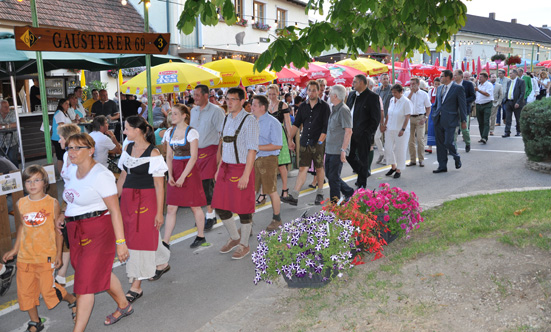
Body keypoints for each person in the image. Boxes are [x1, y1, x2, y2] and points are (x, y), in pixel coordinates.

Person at [59, 133, 132, 330]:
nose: (71, 152)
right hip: (75, 231)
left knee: (84, 284)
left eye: (77, 148)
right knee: (99, 272)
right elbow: (70, 196)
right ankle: (124, 306)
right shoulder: (72, 171)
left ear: (91, 150)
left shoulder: (101, 175)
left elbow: (114, 210)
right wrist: (63, 213)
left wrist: (121, 242)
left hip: (97, 229)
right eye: (69, 148)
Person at [2, 165, 77, 331]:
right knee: (25, 292)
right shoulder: (21, 203)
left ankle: (72, 300)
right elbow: (22, 227)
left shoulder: (52, 203)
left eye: (37, 180)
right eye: (28, 181)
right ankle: (35, 322)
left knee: (48, 290)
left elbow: (58, 232)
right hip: (25, 257)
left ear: (45, 182)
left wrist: (58, 255)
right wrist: (15, 250)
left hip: (46, 256)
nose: (32, 184)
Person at [117, 115, 170, 303]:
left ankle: (136, 286)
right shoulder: (128, 148)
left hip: (146, 201)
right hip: (128, 200)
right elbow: (123, 176)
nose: (124, 132)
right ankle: (162, 262)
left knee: (139, 240)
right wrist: (114, 200)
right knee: (141, 235)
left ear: (137, 130)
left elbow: (159, 185)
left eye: (127, 128)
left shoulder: (154, 153)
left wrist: (159, 212)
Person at [212, 87, 259, 260]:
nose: (229, 102)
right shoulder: (226, 119)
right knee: (220, 206)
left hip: (241, 168)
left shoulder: (250, 121)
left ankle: (244, 244)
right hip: (225, 168)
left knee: (244, 209)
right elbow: (224, 146)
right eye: (227, 99)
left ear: (241, 101)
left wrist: (246, 175)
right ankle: (234, 237)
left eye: (233, 99)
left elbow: (252, 150)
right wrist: (218, 169)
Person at [164, 104, 208, 248]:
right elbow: (169, 155)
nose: (172, 116)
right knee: (171, 207)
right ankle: (166, 241)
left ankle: (200, 236)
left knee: (194, 205)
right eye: (172, 113)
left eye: (176, 114)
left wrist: (183, 176)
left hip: (189, 170)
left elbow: (194, 157)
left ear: (184, 116)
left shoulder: (191, 132)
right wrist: (169, 174)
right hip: (175, 168)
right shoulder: (169, 132)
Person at [282, 80, 330, 206]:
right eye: (310, 90)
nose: (312, 92)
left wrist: (320, 142)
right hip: (304, 142)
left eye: (314, 90)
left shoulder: (324, 106)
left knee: (319, 168)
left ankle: (320, 193)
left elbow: (326, 127)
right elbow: (297, 124)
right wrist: (290, 139)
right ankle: (294, 196)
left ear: (319, 91)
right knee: (303, 168)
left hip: (318, 142)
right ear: (307, 91)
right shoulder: (303, 106)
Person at [190, 85, 226, 231]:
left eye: (198, 95)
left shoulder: (217, 111)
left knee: (207, 185)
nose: (195, 98)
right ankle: (202, 215)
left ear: (206, 95)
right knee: (196, 185)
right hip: (195, 152)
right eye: (194, 95)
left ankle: (210, 216)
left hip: (211, 151)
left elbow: (223, 135)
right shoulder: (193, 110)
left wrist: (219, 156)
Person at [54, 123, 81, 287]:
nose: (58, 141)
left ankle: (67, 273)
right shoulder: (65, 156)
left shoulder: (76, 157)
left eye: (61, 137)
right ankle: (62, 274)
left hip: (77, 200)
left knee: (72, 235)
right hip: (69, 198)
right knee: (66, 234)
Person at [251, 95, 283, 231]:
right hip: (253, 158)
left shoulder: (273, 122)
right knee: (251, 191)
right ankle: (248, 223)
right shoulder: (251, 120)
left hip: (268, 159)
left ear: (262, 107)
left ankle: (277, 219)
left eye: (254, 105)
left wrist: (257, 147)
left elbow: (278, 145)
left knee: (271, 191)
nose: (251, 107)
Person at [345, 74, 381, 189]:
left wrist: (368, 132)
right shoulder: (351, 95)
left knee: (363, 157)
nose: (353, 84)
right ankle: (362, 172)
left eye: (355, 82)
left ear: (361, 83)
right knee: (349, 155)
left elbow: (375, 118)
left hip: (363, 133)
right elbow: (347, 111)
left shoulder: (372, 97)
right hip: (350, 131)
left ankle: (362, 183)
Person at [432, 70, 468, 173]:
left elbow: (462, 105)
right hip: (438, 119)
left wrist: (463, 120)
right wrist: (434, 114)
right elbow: (437, 103)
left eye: (442, 76)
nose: (440, 78)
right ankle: (442, 165)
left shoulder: (458, 88)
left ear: (448, 77)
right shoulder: (439, 88)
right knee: (440, 144)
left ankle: (456, 156)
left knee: (448, 142)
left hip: (450, 120)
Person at [324, 85, 354, 202]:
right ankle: (348, 191)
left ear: (335, 96)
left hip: (337, 149)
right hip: (330, 148)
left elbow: (349, 131)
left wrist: (343, 150)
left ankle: (335, 204)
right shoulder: (335, 108)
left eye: (330, 93)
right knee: (331, 176)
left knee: (333, 178)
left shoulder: (343, 110)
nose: (329, 95)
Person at [266, 84, 293, 201]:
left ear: (278, 93)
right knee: (269, 165)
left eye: (273, 93)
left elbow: (287, 123)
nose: (271, 96)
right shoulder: (266, 105)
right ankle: (270, 191)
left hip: (279, 135)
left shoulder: (283, 105)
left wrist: (290, 139)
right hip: (268, 137)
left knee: (281, 165)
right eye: (269, 94)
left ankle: (285, 189)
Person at [382, 84, 412, 179]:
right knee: (388, 148)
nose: (393, 94)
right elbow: (388, 114)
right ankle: (393, 166)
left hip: (400, 129)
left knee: (400, 150)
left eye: (395, 92)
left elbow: (407, 117)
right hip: (390, 127)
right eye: (392, 92)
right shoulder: (392, 100)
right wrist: (385, 125)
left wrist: (403, 129)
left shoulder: (406, 102)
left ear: (401, 92)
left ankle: (399, 169)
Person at [406, 77, 431, 167]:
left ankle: (421, 159)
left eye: (413, 84)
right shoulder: (407, 93)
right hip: (410, 117)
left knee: (420, 139)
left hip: (420, 117)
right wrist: (411, 92)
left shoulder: (424, 94)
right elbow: (406, 103)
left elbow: (428, 107)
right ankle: (412, 160)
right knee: (410, 140)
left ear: (418, 84)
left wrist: (425, 117)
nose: (412, 85)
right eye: (411, 84)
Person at [52, 99, 75, 175]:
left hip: (65, 137)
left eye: (68, 104)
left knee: (64, 156)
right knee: (60, 157)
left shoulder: (64, 113)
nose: (68, 106)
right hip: (59, 138)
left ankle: (65, 172)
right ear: (61, 104)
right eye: (66, 104)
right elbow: (61, 126)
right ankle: (61, 174)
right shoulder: (59, 113)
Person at [453, 69, 474, 153]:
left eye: (455, 75)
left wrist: (463, 101)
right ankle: (454, 148)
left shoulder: (468, 84)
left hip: (464, 109)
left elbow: (473, 96)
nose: (454, 77)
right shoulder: (452, 84)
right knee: (454, 130)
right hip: (454, 110)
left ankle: (467, 142)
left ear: (460, 76)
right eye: (453, 75)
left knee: (464, 129)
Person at [502, 69, 526, 138]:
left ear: (516, 74)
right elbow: (508, 91)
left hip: (516, 102)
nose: (510, 74)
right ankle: (507, 132)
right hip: (508, 101)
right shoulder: (509, 82)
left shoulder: (521, 81)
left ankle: (519, 131)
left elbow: (522, 93)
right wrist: (505, 100)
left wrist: (518, 102)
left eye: (511, 73)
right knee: (508, 118)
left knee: (518, 118)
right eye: (510, 73)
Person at [375, 73, 392, 164]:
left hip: (389, 116)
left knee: (387, 138)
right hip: (379, 116)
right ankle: (382, 153)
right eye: (384, 79)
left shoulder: (392, 89)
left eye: (387, 78)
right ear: (380, 80)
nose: (385, 80)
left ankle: (387, 157)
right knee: (376, 137)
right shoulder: (377, 90)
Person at [474, 72, 494, 144]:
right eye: (479, 77)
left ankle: (485, 137)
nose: (479, 78)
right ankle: (482, 136)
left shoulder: (489, 85)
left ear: (486, 78)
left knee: (486, 121)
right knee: (480, 121)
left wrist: (478, 90)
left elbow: (488, 94)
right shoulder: (479, 85)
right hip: (479, 104)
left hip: (487, 104)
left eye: (481, 77)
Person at [0, 99, 20, 166]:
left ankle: (16, 174)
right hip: (0, 142)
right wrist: (9, 125)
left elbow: (16, 124)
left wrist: (4, 126)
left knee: (12, 159)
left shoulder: (12, 113)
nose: (7, 108)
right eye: (5, 107)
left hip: (12, 141)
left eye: (8, 106)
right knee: (2, 161)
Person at [426, 78, 440, 153]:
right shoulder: (431, 91)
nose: (437, 86)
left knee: (439, 128)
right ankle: (430, 147)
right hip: (432, 109)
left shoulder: (442, 91)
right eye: (435, 84)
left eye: (438, 84)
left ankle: (439, 146)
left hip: (440, 110)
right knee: (431, 127)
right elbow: (429, 101)